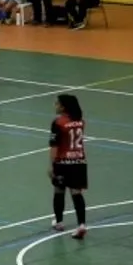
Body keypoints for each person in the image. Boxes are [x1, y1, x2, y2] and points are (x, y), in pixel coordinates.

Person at [48, 94, 88, 239]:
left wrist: (52, 165)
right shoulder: (80, 122)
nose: (55, 106)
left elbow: (54, 145)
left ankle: (59, 222)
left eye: (57, 104)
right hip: (79, 161)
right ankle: (82, 224)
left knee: (59, 190)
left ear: (63, 106)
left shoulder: (58, 123)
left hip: (63, 162)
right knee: (77, 193)